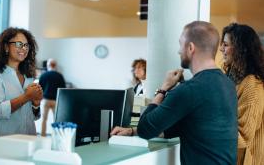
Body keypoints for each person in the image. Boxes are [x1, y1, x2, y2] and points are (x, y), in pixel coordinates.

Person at [111, 21, 238, 165]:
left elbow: (146, 128)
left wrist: (163, 88)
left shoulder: (189, 90)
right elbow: (178, 128)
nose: (179, 51)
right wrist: (131, 131)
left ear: (190, 48)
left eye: (180, 45)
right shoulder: (228, 84)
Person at [0, 27, 43, 148]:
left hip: (28, 142)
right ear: (6, 47)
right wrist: (26, 97)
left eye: (26, 45)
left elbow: (32, 117)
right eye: (19, 44)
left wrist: (35, 104)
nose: (23, 48)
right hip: (1, 145)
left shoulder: (28, 77)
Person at [220, 23, 264, 165]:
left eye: (225, 45)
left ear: (240, 49)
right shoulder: (233, 78)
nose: (221, 49)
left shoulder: (252, 85)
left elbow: (243, 137)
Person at [39, 59, 66, 136]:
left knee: (44, 119)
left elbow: (40, 88)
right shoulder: (59, 76)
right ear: (55, 65)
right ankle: (56, 135)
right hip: (56, 101)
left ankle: (42, 136)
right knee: (56, 120)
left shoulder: (43, 75)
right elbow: (63, 89)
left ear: (48, 65)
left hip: (46, 100)